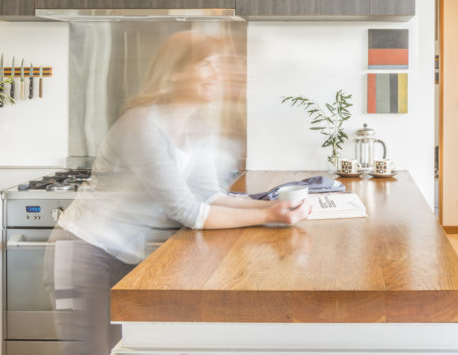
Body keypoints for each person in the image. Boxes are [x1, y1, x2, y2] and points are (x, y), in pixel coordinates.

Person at [47, 31, 311, 355]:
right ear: (174, 73)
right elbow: (188, 212)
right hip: (84, 254)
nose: (217, 74)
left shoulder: (196, 126)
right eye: (206, 65)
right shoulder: (143, 125)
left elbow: (209, 196)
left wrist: (272, 208)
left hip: (123, 256)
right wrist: (268, 215)